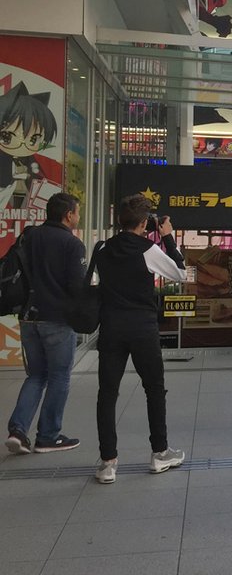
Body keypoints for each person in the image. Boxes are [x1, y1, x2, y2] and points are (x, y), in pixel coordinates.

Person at [93, 194, 188, 484]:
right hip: (142, 328)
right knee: (154, 389)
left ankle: (108, 462)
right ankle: (159, 453)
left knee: (107, 393)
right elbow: (180, 273)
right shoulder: (148, 249)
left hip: (111, 327)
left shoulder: (102, 248)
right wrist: (168, 238)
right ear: (145, 223)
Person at [5, 193, 86, 455]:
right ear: (68, 215)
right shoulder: (72, 244)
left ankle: (18, 431)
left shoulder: (28, 236)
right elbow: (77, 286)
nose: (78, 216)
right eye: (77, 211)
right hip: (57, 319)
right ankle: (48, 436)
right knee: (59, 376)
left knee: (36, 375)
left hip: (28, 317)